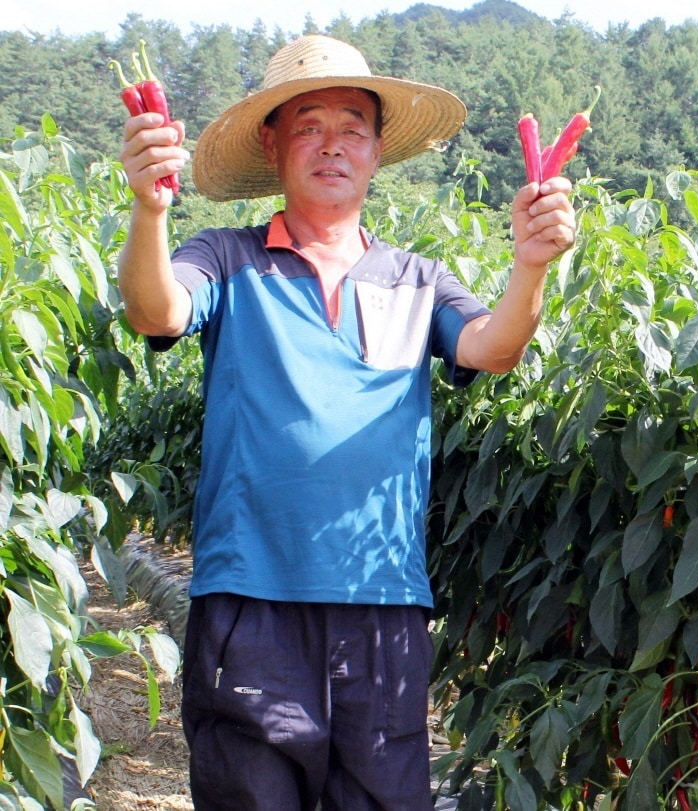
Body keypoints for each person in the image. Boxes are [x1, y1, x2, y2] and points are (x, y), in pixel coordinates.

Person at [116, 34, 576, 809]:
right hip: (253, 605)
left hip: (382, 608)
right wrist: (149, 209)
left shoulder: (418, 279)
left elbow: (493, 346)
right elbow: (155, 307)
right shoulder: (226, 258)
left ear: (376, 150)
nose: (333, 145)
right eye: (309, 126)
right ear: (273, 145)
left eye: (352, 127)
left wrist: (530, 265)